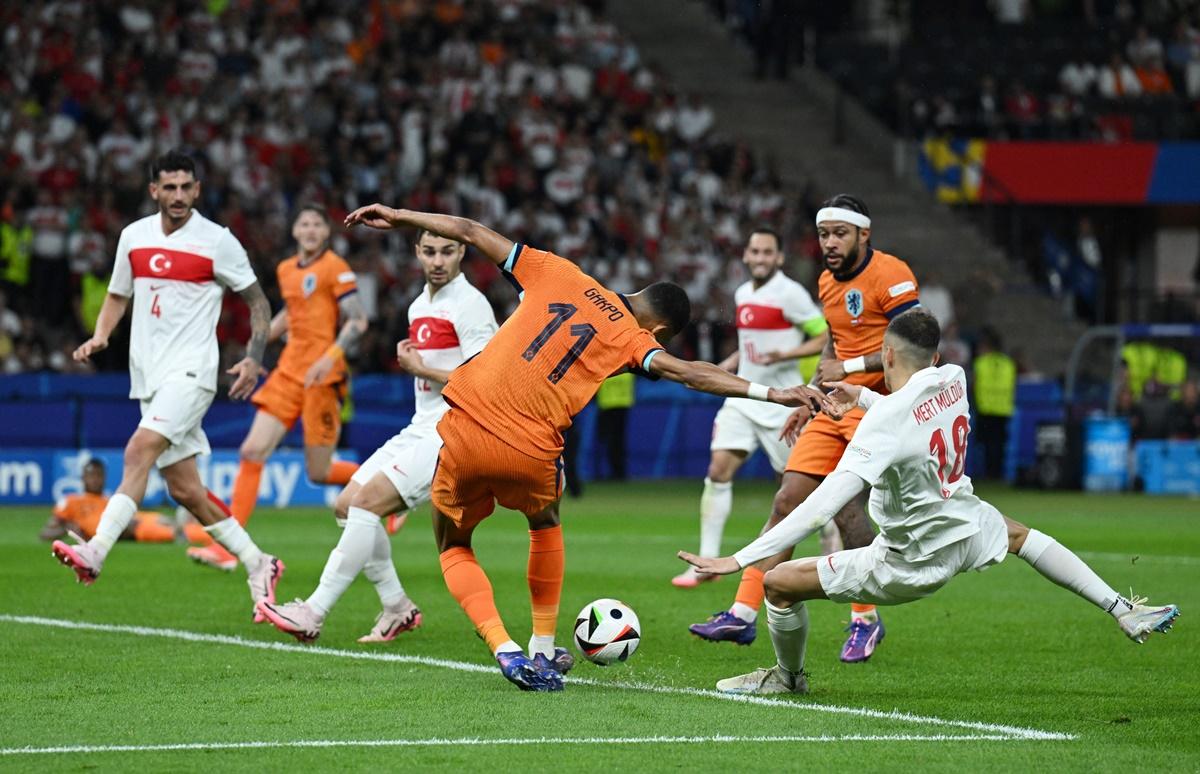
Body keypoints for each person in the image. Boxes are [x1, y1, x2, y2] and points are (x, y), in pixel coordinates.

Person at [271, 204, 822, 693]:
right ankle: (540, 645)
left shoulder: (558, 271)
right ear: (659, 330)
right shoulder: (634, 340)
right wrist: (772, 390)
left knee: (454, 545)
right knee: (545, 523)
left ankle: (503, 648)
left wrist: (402, 217)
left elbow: (467, 228)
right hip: (531, 451)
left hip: (463, 427)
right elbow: (690, 374)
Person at [679, 309, 1180, 695]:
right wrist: (864, 396)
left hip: (909, 558)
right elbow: (912, 417)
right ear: (934, 356)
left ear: (888, 357)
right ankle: (1121, 607)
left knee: (778, 584)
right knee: (1024, 537)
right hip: (965, 523)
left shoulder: (884, 425)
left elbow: (820, 506)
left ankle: (788, 679)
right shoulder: (954, 378)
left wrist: (737, 558)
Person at [687, 194, 921, 664]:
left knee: (848, 513)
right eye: (823, 234)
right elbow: (832, 344)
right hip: (832, 406)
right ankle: (743, 612)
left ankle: (865, 620)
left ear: (863, 234)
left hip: (877, 409)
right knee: (786, 500)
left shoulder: (892, 274)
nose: (829, 243)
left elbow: (912, 346)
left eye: (839, 234)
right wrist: (810, 395)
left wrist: (848, 367)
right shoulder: (827, 281)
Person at [51, 150, 284, 616]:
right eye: (169, 187)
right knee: (185, 491)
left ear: (197, 189)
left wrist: (255, 358)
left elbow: (258, 302)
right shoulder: (133, 238)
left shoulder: (217, 242)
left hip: (193, 372)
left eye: (186, 187)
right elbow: (118, 294)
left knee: (139, 450)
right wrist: (100, 335)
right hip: (150, 378)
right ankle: (259, 563)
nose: (178, 196)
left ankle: (95, 551)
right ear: (154, 190)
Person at [258, 230, 498, 643]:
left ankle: (313, 611)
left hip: (456, 428)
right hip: (421, 424)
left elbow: (487, 381)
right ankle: (397, 607)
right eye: (429, 252)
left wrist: (422, 370)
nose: (437, 261)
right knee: (347, 505)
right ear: (417, 253)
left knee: (367, 505)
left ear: (461, 251)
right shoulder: (419, 306)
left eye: (446, 251)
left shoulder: (471, 306)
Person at [187, 204, 368, 572]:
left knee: (318, 473)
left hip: (322, 376)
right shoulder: (286, 269)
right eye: (305, 222)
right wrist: (257, 345)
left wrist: (329, 357)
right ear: (295, 232)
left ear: (327, 233)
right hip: (287, 372)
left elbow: (358, 321)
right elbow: (292, 313)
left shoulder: (336, 267)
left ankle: (381, 482)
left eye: (318, 223)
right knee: (252, 451)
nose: (311, 228)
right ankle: (228, 548)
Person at [672, 228, 828, 588]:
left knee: (794, 489)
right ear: (745, 255)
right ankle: (704, 563)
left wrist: (786, 353)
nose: (759, 258)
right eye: (754, 251)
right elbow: (751, 344)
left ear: (779, 258)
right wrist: (729, 364)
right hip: (745, 397)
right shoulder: (743, 294)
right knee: (718, 469)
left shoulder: (790, 294)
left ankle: (829, 540)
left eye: (766, 252)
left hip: (782, 402)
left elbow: (823, 336)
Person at [39, 458, 209, 545]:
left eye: (98, 476)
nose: (95, 480)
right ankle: (213, 535)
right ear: (82, 478)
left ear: (104, 478)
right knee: (179, 533)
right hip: (135, 527)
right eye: (91, 475)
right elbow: (46, 533)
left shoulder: (111, 500)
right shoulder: (71, 502)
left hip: (138, 519)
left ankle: (209, 528)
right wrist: (70, 530)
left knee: (174, 524)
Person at [972, 327, 1016, 480]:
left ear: (986, 346)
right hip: (1003, 408)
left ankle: (988, 474)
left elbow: (975, 384)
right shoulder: (1008, 363)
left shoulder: (980, 362)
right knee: (999, 444)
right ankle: (998, 473)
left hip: (986, 408)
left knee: (986, 444)